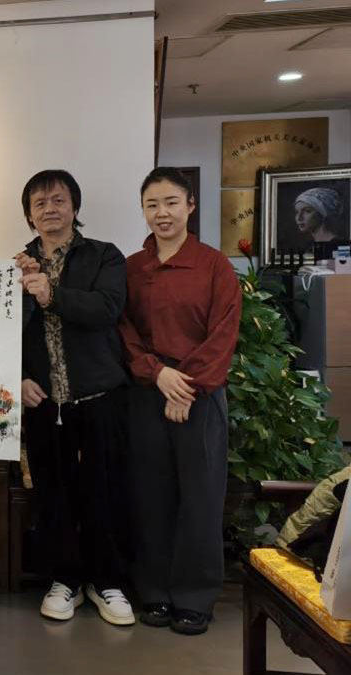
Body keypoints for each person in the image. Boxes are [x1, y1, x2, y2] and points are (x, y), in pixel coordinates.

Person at [120, 167, 241, 636]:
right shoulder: (132, 268)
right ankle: (153, 590)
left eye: (171, 202)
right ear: (143, 211)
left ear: (190, 205)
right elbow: (124, 332)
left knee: (200, 498)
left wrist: (186, 387)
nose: (162, 213)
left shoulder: (214, 265)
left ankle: (194, 596)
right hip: (147, 393)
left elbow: (223, 332)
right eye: (152, 204)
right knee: (150, 497)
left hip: (200, 396)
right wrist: (158, 374)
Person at [13, 169, 133, 626]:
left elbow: (108, 308)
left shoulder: (104, 255)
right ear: (29, 214)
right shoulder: (14, 266)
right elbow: (1, 333)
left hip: (99, 395)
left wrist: (52, 295)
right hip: (43, 402)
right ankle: (64, 580)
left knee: (104, 492)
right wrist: (19, 377)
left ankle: (108, 582)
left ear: (75, 207)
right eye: (40, 203)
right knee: (53, 495)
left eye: (58, 200)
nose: (50, 209)